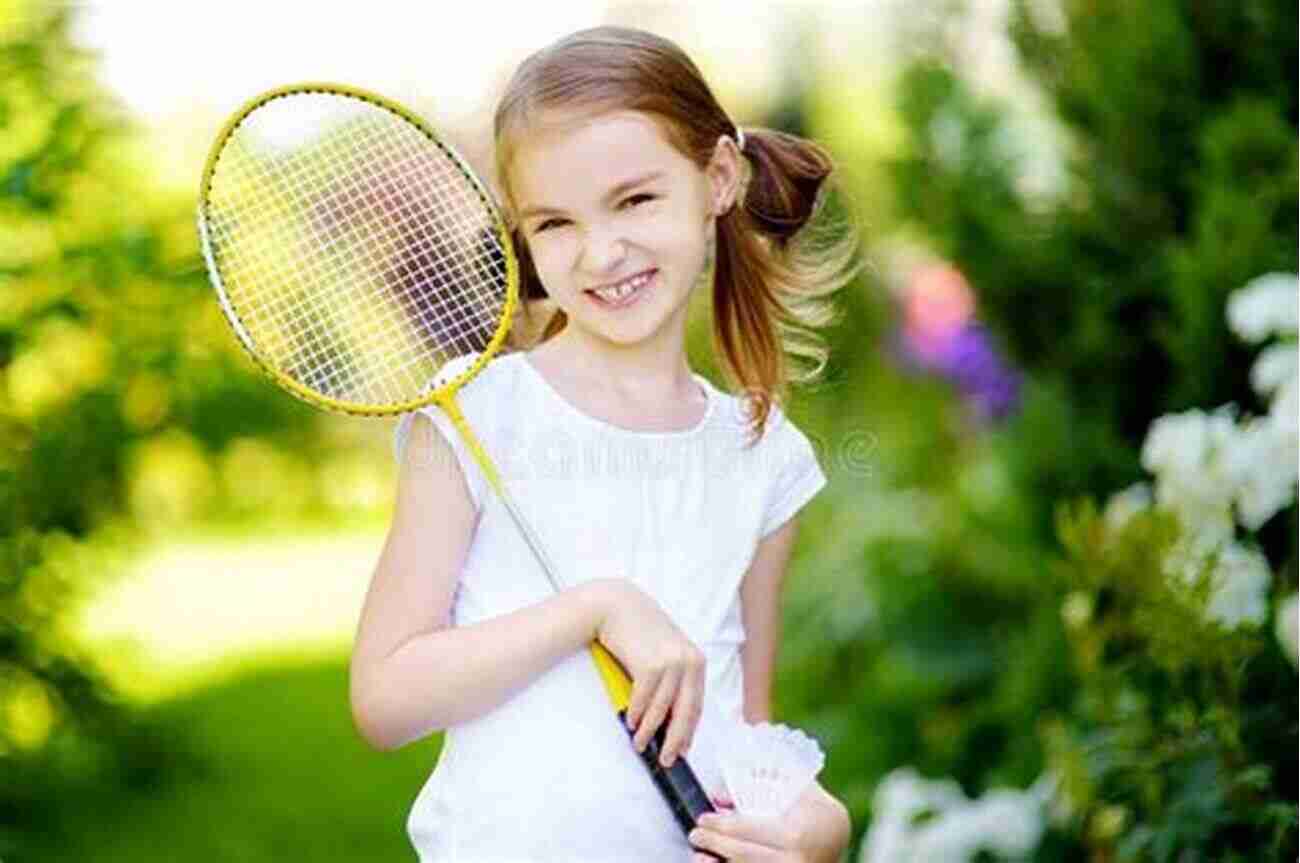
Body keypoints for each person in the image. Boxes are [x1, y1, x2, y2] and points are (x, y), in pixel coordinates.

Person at [349, 25, 859, 863]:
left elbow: (747, 732)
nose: (600, 251)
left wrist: (818, 828)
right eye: (555, 223)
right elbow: (385, 696)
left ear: (718, 179)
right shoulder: (478, 415)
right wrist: (594, 607)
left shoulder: (766, 459)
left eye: (634, 200)